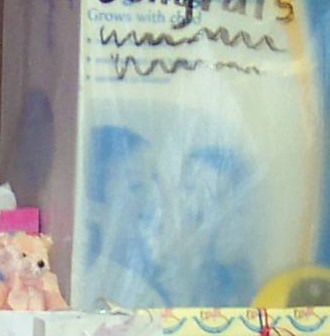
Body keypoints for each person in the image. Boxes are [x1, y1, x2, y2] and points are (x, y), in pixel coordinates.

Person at [81, 125, 167, 308]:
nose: (155, 196)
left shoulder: (162, 277)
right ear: (93, 208)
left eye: (156, 178)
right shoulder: (90, 284)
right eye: (136, 185)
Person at [170, 145, 259, 306]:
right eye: (188, 188)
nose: (194, 203)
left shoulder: (235, 277)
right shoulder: (163, 260)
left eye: (212, 195)